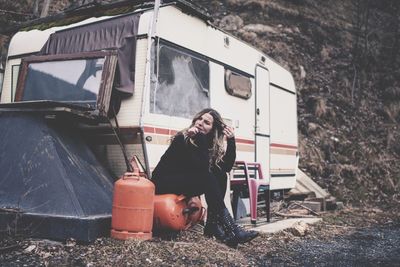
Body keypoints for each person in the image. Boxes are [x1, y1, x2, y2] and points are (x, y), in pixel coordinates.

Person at [151, 108, 258, 247]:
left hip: (183, 181)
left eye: (206, 122)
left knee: (220, 175)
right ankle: (231, 228)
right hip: (163, 181)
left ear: (213, 129)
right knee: (207, 176)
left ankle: (212, 226)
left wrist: (231, 141)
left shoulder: (207, 143)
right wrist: (198, 137)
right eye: (199, 119)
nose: (200, 123)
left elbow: (225, 168)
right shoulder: (183, 138)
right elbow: (201, 169)